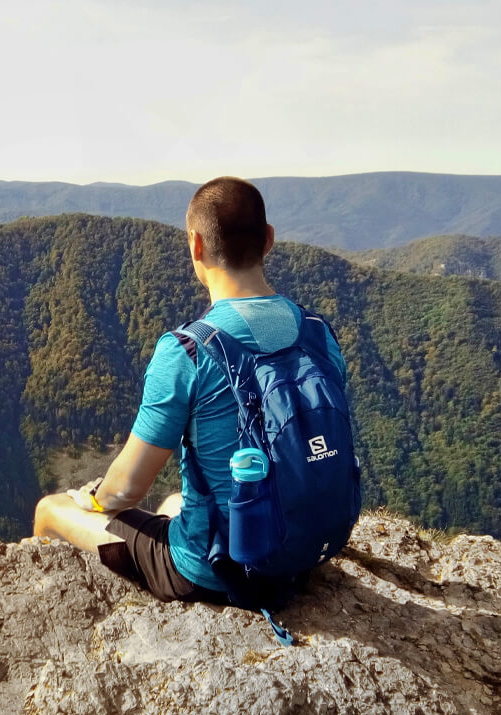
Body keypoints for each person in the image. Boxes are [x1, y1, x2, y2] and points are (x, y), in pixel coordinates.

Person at [33, 176, 347, 603]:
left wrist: (93, 498)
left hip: (213, 570)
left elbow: (126, 490)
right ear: (269, 240)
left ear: (195, 245)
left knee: (50, 510)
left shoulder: (188, 350)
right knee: (174, 503)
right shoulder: (317, 333)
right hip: (305, 551)